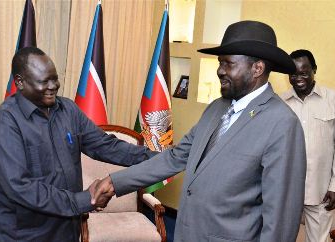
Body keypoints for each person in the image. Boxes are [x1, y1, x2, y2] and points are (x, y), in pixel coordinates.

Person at [92, 20, 307, 242]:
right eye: (220, 63)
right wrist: (115, 181)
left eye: (228, 64)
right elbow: (175, 158)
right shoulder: (216, 108)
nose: (219, 71)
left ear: (257, 68)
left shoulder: (282, 123)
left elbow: (280, 220)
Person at [0, 47, 156, 241]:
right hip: (22, 234)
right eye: (44, 81)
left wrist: (156, 158)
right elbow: (21, 188)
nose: (53, 86)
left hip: (66, 230)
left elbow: (105, 145)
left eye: (54, 78)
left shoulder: (68, 110)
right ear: (20, 82)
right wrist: (84, 200)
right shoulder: (4, 122)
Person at [280, 49, 335, 242]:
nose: (298, 78)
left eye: (304, 72)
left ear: (314, 70)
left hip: (321, 191)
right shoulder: (280, 103)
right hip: (286, 190)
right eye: (293, 74)